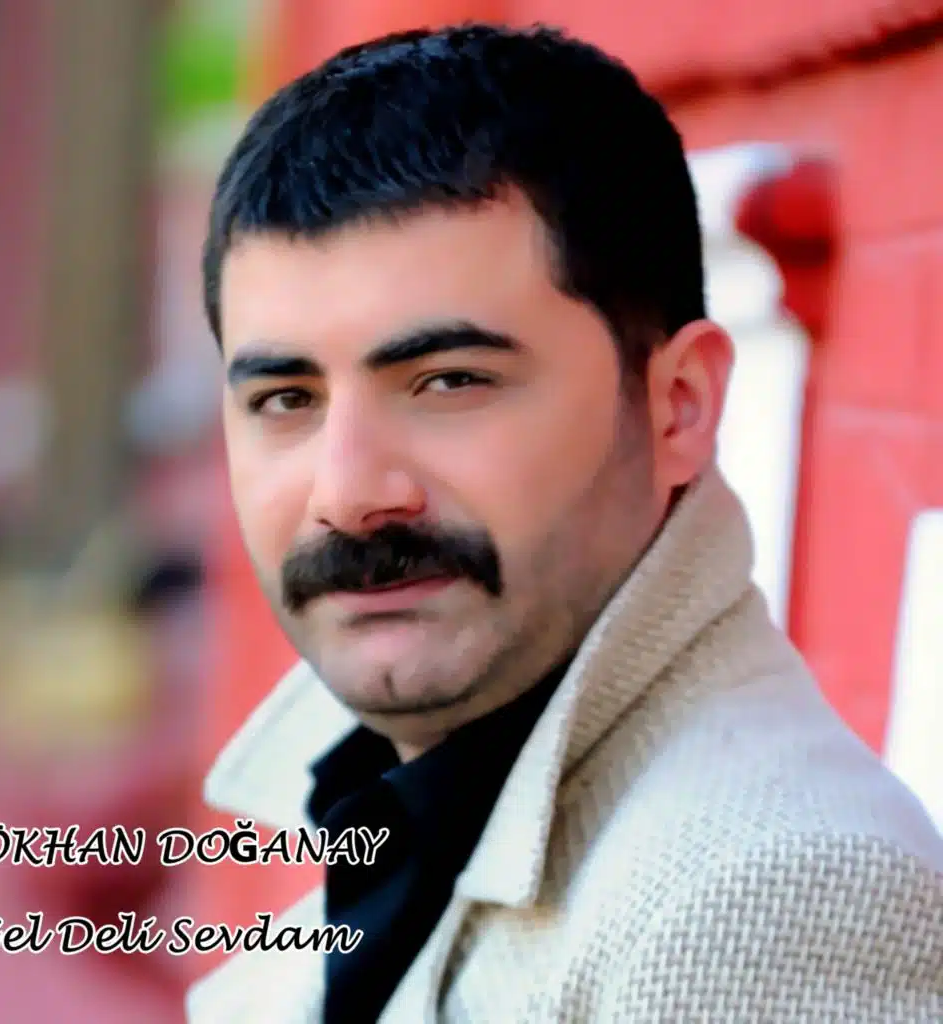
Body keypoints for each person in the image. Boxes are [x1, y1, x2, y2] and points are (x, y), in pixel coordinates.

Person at [187, 23, 943, 1023]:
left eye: (450, 381)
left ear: (678, 404)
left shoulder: (767, 895)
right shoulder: (405, 789)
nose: (348, 493)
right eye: (286, 399)